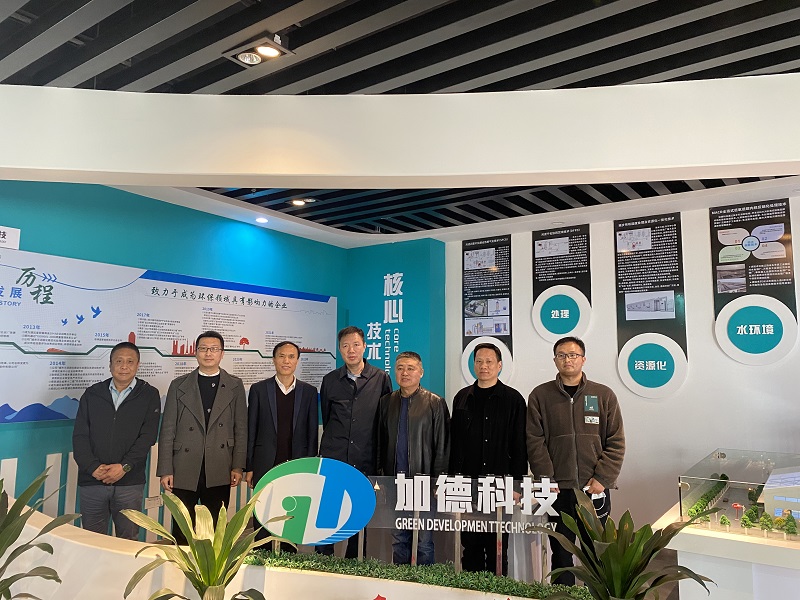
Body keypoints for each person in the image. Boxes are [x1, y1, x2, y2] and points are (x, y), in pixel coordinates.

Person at [527, 336, 625, 586]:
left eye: (573, 355)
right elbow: (534, 441)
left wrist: (602, 478)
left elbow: (616, 440)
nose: (567, 360)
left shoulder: (603, 394)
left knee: (597, 552)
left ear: (583, 359)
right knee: (561, 552)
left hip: (593, 488)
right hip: (558, 489)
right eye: (562, 355)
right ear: (555, 360)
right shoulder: (540, 395)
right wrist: (547, 479)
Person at [157, 331, 247, 544]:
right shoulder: (179, 385)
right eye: (203, 348)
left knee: (215, 528)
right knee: (182, 527)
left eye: (214, 349)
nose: (208, 353)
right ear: (195, 352)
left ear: (222, 354)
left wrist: (238, 466)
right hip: (184, 465)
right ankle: (180, 564)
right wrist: (166, 469)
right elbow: (167, 429)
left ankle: (212, 566)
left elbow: (241, 428)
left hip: (220, 465)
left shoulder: (235, 385)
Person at [449, 342, 527, 575]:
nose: (484, 366)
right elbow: (455, 445)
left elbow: (520, 446)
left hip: (501, 486)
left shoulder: (514, 399)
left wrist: (517, 485)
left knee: (498, 549)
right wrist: (451, 481)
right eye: (479, 361)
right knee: (470, 548)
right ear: (473, 365)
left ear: (499, 365)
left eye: (489, 361)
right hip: (467, 485)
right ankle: (470, 591)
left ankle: (497, 591)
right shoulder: (462, 398)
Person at [72, 341, 161, 539]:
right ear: (110, 365)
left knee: (128, 540)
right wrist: (93, 467)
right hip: (93, 480)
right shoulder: (92, 394)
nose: (124, 366)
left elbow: (147, 437)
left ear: (138, 365)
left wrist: (124, 467)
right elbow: (80, 436)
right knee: (92, 540)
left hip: (129, 482)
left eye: (130, 361)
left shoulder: (149, 395)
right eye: (119, 361)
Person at [317, 325, 392, 558]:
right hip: (335, 457)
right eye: (345, 346)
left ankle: (353, 562)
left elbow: (384, 420)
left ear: (364, 346)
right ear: (340, 349)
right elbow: (327, 417)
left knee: (358, 515)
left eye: (356, 345)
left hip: (365, 458)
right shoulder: (330, 380)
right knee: (327, 512)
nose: (351, 350)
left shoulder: (380, 378)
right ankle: (323, 560)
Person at [377, 351, 450, 565]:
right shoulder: (386, 402)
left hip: (424, 484)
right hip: (395, 484)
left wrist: (438, 481)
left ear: (421, 372)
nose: (405, 373)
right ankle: (401, 582)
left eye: (410, 368)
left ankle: (424, 583)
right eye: (400, 368)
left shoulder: (435, 402)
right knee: (399, 539)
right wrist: (381, 478)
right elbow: (380, 443)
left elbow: (443, 446)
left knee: (424, 541)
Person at [245, 340, 319, 545]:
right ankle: (261, 553)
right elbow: (252, 429)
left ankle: (289, 554)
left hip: (296, 463)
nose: (286, 361)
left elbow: (312, 433)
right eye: (282, 356)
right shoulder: (259, 390)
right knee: (263, 513)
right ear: (274, 360)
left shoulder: (309, 392)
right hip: (265, 463)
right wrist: (249, 466)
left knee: (292, 515)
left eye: (291, 357)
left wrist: (309, 466)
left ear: (297, 361)